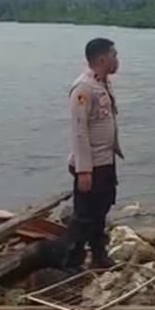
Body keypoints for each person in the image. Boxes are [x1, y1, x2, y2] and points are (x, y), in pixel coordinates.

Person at [65, 38, 123, 269]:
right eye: (114, 55)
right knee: (84, 215)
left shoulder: (103, 84)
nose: (117, 60)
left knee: (102, 209)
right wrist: (83, 170)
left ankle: (99, 255)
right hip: (90, 165)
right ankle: (71, 260)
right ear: (102, 59)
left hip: (105, 160)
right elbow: (79, 131)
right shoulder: (83, 88)